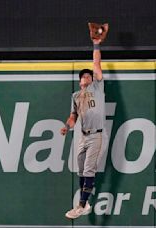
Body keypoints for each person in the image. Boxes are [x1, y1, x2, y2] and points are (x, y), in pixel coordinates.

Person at [60, 37, 105, 219]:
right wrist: (66, 127)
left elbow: (96, 63)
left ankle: (81, 205)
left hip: (96, 135)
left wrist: (96, 44)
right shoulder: (76, 95)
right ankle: (84, 205)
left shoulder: (97, 88)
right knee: (80, 170)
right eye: (83, 76)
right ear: (80, 81)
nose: (86, 77)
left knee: (88, 170)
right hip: (83, 136)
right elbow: (73, 117)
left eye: (89, 76)